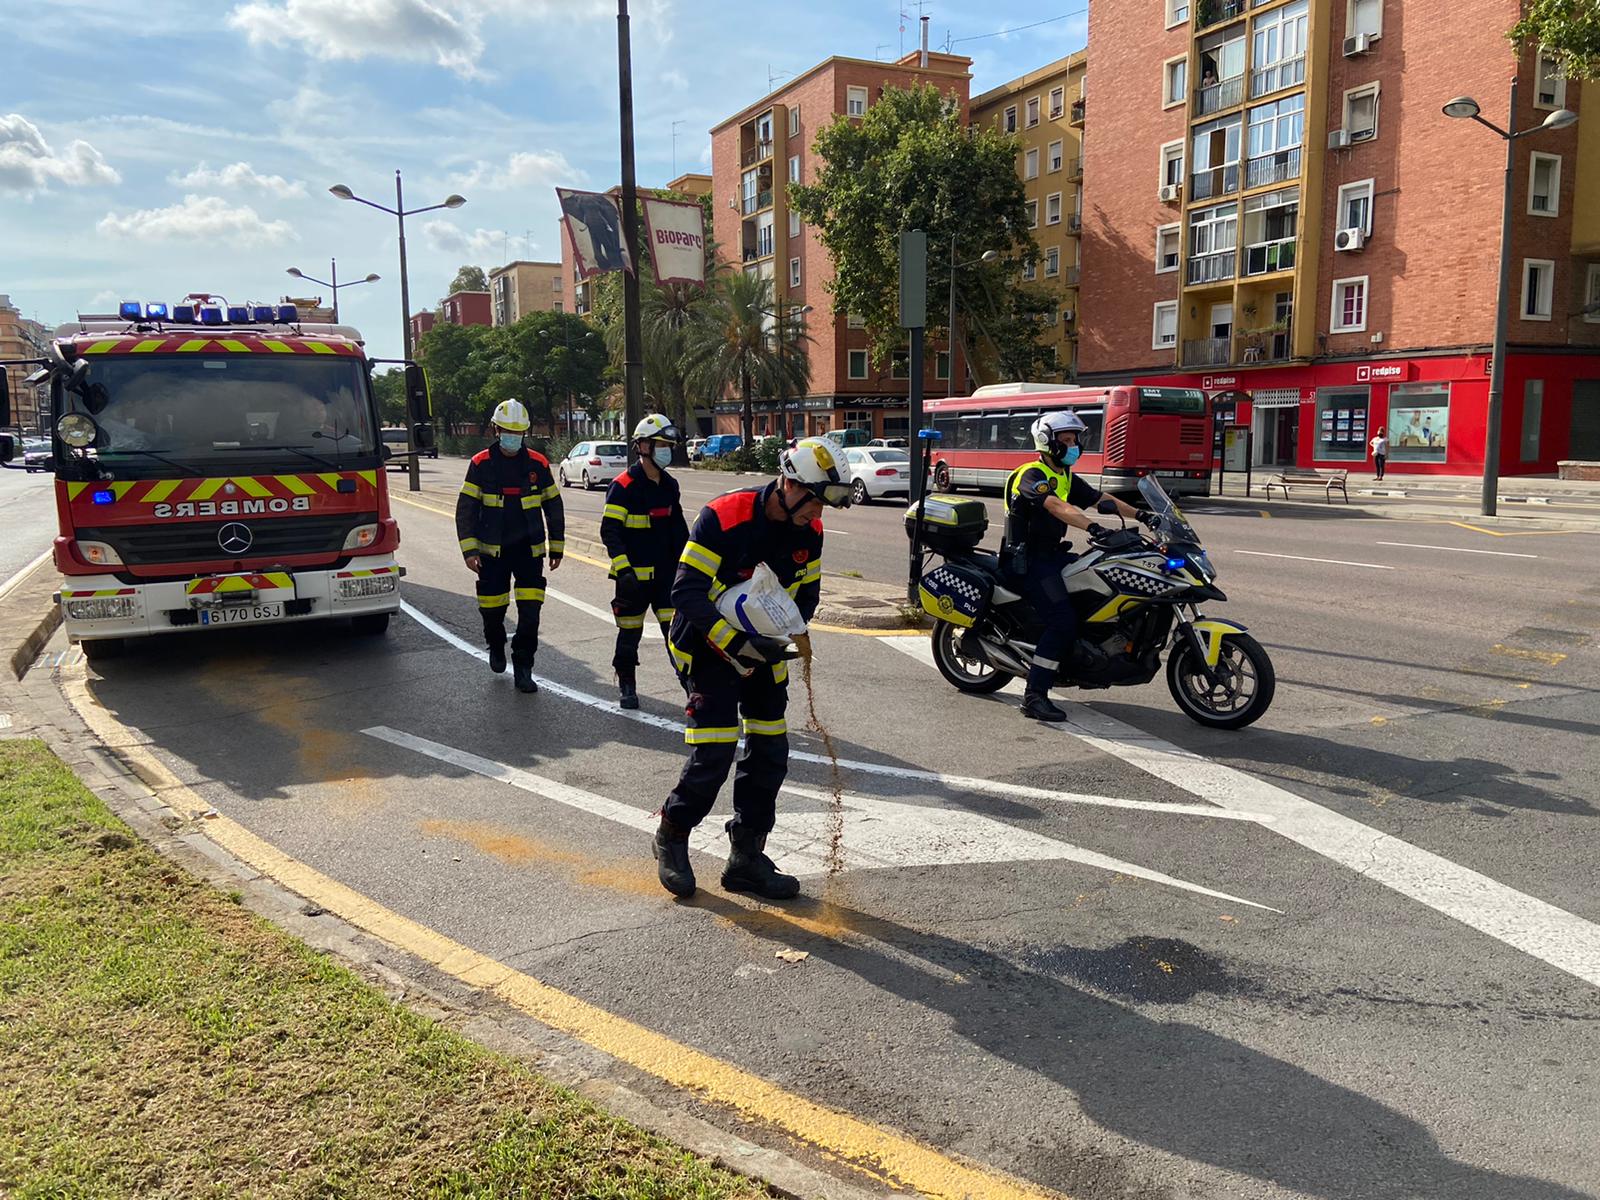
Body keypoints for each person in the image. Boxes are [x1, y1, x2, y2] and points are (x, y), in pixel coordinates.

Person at [651, 438, 851, 901]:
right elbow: (685, 593)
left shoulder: (811, 532)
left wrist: (783, 635)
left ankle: (746, 858)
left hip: (763, 651)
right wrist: (737, 642)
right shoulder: (725, 515)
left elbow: (806, 597)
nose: (817, 514)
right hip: (706, 645)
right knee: (715, 751)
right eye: (815, 501)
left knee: (770, 752)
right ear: (790, 483)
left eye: (824, 506)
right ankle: (672, 835)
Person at [1002, 411, 1152, 723]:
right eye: (1067, 441)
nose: (1074, 446)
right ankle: (1034, 696)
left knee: (1098, 589)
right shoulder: (1031, 474)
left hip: (1054, 555)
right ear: (1048, 443)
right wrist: (1093, 527)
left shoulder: (1066, 475)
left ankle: (1082, 658)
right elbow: (1057, 506)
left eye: (1075, 440)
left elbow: (1100, 498)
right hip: (1027, 561)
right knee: (1062, 620)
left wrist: (1143, 516)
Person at [455, 399, 565, 694]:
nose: (513, 437)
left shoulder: (538, 464)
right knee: (492, 610)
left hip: (529, 552)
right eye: (507, 431)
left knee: (531, 614)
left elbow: (553, 506)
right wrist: (469, 550)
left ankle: (524, 665)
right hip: (492, 553)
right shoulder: (480, 464)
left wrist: (557, 547)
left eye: (518, 432)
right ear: (496, 430)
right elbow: (465, 508)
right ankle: (495, 642)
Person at [601, 413, 690, 709]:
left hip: (667, 579)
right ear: (643, 446)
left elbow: (680, 531)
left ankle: (694, 693)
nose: (666, 450)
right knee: (629, 635)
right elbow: (610, 532)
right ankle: (627, 684)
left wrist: (689, 568)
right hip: (633, 581)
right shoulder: (623, 486)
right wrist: (624, 570)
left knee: (678, 637)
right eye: (661, 444)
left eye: (669, 444)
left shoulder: (669, 485)